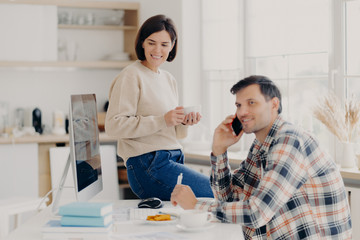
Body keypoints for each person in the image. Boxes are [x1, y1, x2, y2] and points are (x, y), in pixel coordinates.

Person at [171, 75, 352, 239]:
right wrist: (219, 150)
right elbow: (229, 199)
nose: (242, 112)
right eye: (239, 105)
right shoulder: (260, 144)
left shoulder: (289, 141)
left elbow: (256, 213)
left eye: (251, 103)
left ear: (274, 104)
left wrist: (196, 206)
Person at [105, 14, 213, 200]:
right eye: (151, 42)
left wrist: (184, 122)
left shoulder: (168, 79)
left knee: (201, 204)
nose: (157, 50)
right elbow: (114, 126)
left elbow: (174, 133)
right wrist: (162, 119)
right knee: (217, 192)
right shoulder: (131, 75)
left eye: (164, 44)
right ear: (142, 44)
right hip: (148, 165)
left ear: (172, 46)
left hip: (172, 158)